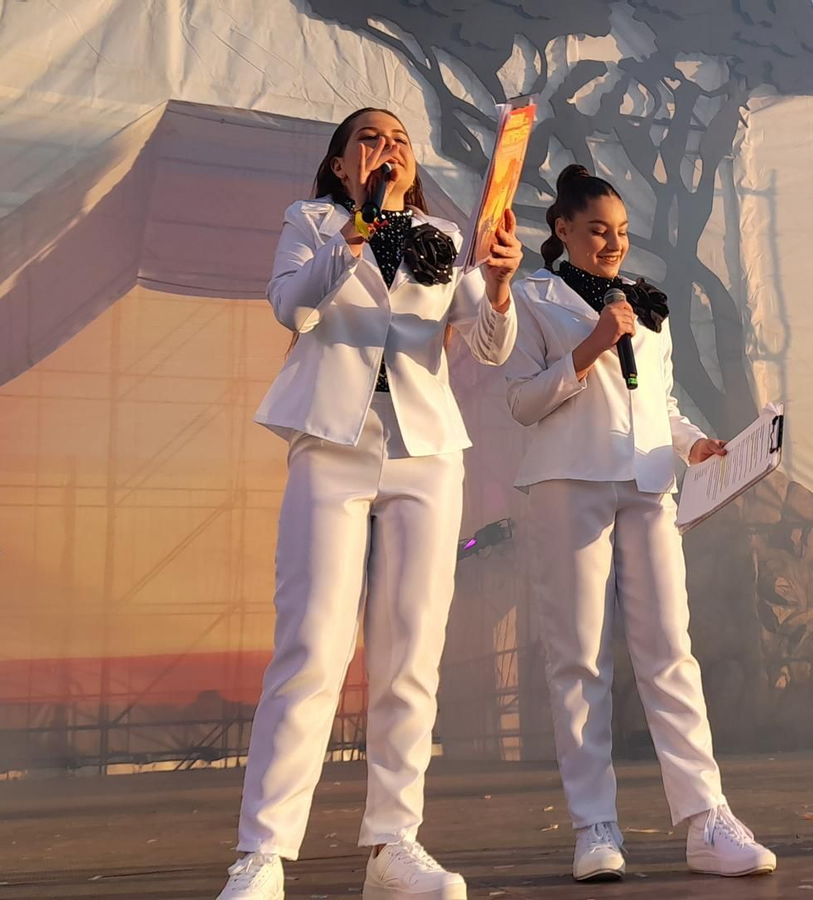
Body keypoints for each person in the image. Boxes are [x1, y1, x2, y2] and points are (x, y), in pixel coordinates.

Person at [217, 107, 524, 900]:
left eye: (399, 142)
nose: (386, 150)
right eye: (369, 140)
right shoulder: (313, 222)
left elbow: (488, 347)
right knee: (313, 646)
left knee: (412, 652)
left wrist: (496, 285)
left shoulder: (443, 240)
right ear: (342, 165)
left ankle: (395, 844)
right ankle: (263, 854)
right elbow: (295, 307)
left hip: (426, 452)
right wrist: (357, 230)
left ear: (413, 168)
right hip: (332, 443)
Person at [501, 164, 777, 882]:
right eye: (597, 230)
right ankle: (595, 827)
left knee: (669, 650)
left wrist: (696, 445)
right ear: (562, 230)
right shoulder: (532, 299)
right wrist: (591, 344)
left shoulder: (642, 303)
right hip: (570, 483)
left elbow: (659, 399)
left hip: (649, 484)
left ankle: (706, 819)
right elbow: (524, 403)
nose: (612, 243)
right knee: (579, 659)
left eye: (621, 232)